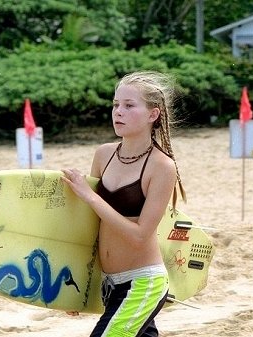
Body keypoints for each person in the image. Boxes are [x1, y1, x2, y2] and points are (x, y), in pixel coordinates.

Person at [62, 71, 186, 337]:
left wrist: (91, 196)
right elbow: (92, 227)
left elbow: (141, 235)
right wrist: (77, 288)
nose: (118, 112)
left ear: (153, 114)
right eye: (116, 105)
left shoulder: (162, 167)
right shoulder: (104, 154)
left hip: (142, 283)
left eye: (129, 106)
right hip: (110, 285)